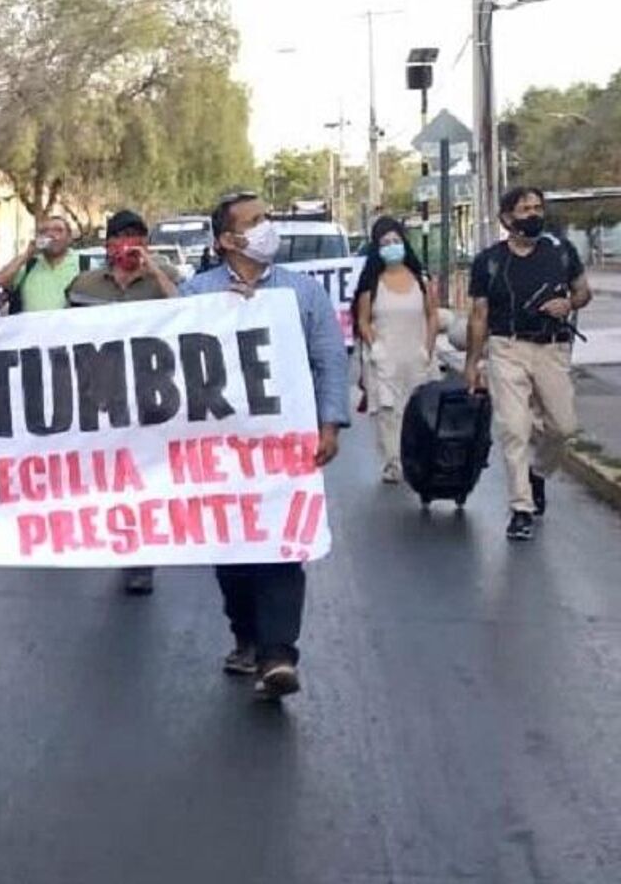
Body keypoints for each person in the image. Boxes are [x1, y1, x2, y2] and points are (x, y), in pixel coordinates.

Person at [184, 193, 348, 701]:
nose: (266, 228)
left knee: (281, 544)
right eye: (254, 222)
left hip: (284, 450)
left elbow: (330, 360)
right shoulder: (194, 295)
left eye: (266, 218)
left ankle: (279, 653)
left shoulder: (303, 293)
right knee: (232, 549)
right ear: (227, 241)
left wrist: (330, 423)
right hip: (219, 452)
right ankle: (247, 635)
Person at [464, 187, 592, 541]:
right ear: (507, 218)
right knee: (515, 429)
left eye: (537, 208)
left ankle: (539, 472)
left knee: (563, 427)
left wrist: (568, 305)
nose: (533, 214)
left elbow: (583, 291)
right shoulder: (489, 261)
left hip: (552, 349)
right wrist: (472, 363)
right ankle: (521, 507)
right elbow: (478, 315)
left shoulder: (561, 253)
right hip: (507, 348)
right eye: (524, 209)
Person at [64, 210, 179, 596]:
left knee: (143, 477)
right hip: (100, 393)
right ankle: (119, 538)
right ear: (107, 245)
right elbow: (61, 336)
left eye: (138, 238)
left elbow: (189, 314)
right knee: (112, 476)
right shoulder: (84, 285)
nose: (130, 245)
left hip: (148, 393)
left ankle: (140, 558)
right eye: (122, 237)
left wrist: (156, 272)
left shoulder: (163, 283)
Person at [351, 217, 439, 484]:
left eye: (396, 241)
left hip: (417, 355)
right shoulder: (371, 284)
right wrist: (374, 347)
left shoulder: (421, 280)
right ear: (377, 248)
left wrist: (428, 348)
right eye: (385, 243)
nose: (392, 246)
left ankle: (419, 458)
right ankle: (393, 462)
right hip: (384, 358)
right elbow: (363, 320)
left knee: (419, 409)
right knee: (388, 414)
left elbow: (432, 315)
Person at [0, 215, 77, 313]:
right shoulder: (29, 265)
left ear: (69, 238)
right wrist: (26, 255)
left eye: (58, 230)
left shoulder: (84, 263)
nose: (51, 234)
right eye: (44, 231)